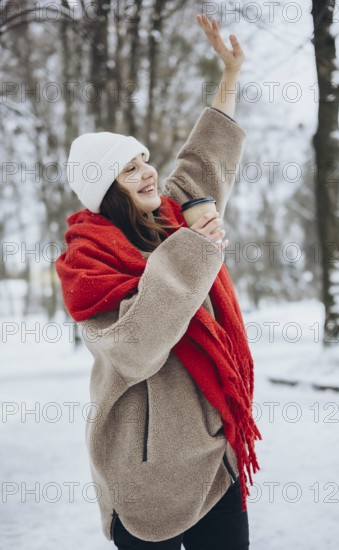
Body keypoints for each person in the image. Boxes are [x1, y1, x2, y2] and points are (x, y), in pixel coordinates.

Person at [55, 13, 262, 550]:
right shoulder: (88, 265)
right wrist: (194, 248)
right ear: (108, 191)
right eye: (129, 168)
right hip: (144, 477)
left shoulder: (174, 214)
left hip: (215, 457)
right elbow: (136, 349)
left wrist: (230, 74)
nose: (147, 171)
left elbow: (207, 155)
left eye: (144, 157)